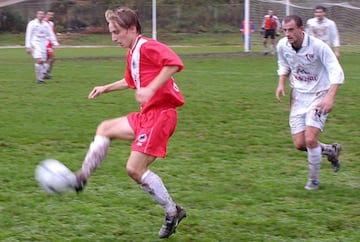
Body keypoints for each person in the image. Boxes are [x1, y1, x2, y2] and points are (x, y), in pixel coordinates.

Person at [73, 7, 186, 239]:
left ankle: (172, 212)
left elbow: (174, 62)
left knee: (134, 169)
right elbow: (130, 80)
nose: (113, 38)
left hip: (161, 115)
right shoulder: (132, 52)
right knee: (104, 128)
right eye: (111, 32)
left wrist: (152, 89)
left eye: (117, 32)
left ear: (132, 29)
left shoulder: (146, 45)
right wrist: (106, 88)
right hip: (147, 115)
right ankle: (82, 176)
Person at [275, 15, 344, 190]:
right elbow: (283, 64)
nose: (287, 34)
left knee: (311, 138)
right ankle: (330, 150)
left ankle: (313, 180)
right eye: (285, 30)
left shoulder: (319, 47)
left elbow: (336, 71)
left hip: (319, 94)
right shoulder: (282, 45)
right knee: (300, 144)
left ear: (301, 29)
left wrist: (330, 97)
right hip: (298, 96)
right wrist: (281, 83)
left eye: (291, 30)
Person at [25, 10, 59, 84]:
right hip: (35, 44)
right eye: (39, 14)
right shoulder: (32, 23)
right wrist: (28, 46)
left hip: (43, 44)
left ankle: (42, 76)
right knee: (39, 60)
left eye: (42, 14)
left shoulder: (46, 24)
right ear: (37, 15)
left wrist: (55, 43)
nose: (41, 15)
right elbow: (28, 35)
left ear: (44, 15)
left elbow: (51, 34)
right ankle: (39, 79)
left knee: (43, 62)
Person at [43, 10, 58, 79]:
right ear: (46, 15)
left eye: (52, 15)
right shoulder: (42, 22)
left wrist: (54, 42)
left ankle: (46, 73)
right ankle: (45, 73)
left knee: (48, 59)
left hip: (50, 43)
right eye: (49, 15)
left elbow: (52, 33)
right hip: (44, 43)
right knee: (52, 58)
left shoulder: (51, 23)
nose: (51, 16)